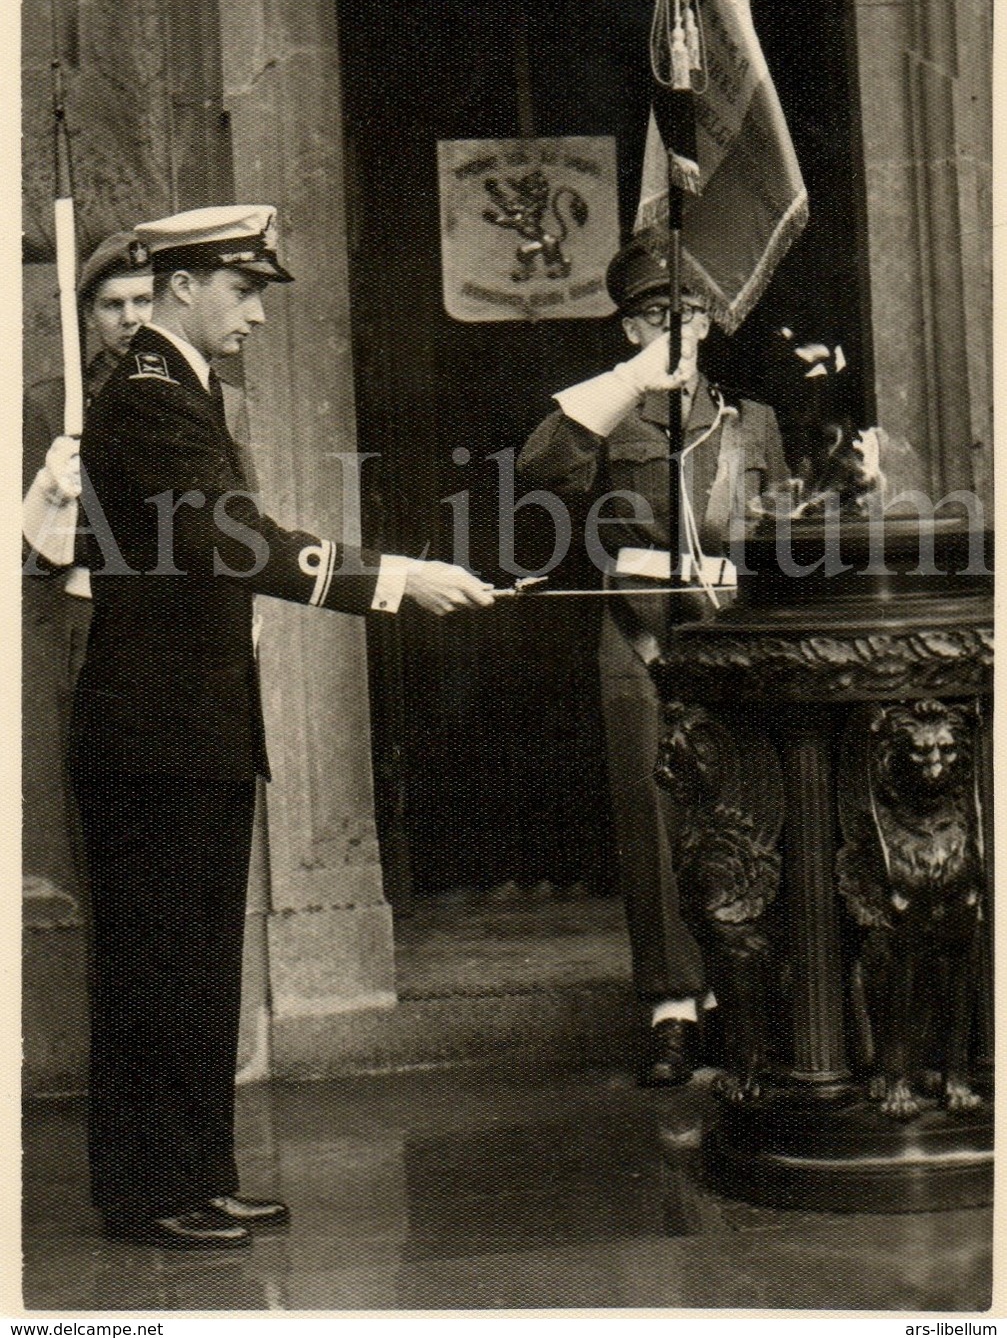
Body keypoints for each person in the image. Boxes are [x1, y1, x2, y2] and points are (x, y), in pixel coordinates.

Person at [69, 204, 495, 1250]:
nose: (257, 314)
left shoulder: (183, 389)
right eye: (243, 289)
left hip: (190, 727)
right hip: (154, 733)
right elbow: (233, 541)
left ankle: (195, 1177)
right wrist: (393, 578)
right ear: (181, 287)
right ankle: (146, 1194)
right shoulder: (151, 396)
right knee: (156, 967)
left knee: (196, 963)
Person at [517, 238, 789, 1087]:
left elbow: (782, 536)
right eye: (650, 315)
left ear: (706, 322)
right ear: (629, 327)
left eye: (686, 314)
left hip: (731, 632)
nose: (672, 328)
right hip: (637, 629)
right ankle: (672, 1007)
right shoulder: (609, 413)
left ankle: (743, 997)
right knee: (651, 812)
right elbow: (539, 469)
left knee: (745, 806)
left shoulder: (749, 421)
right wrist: (627, 384)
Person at [22, 236, 155, 910]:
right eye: (112, 304)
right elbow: (29, 555)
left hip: (177, 626)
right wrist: (55, 491)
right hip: (90, 620)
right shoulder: (51, 406)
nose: (130, 318)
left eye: (143, 300)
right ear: (88, 314)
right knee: (101, 811)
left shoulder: (208, 394)